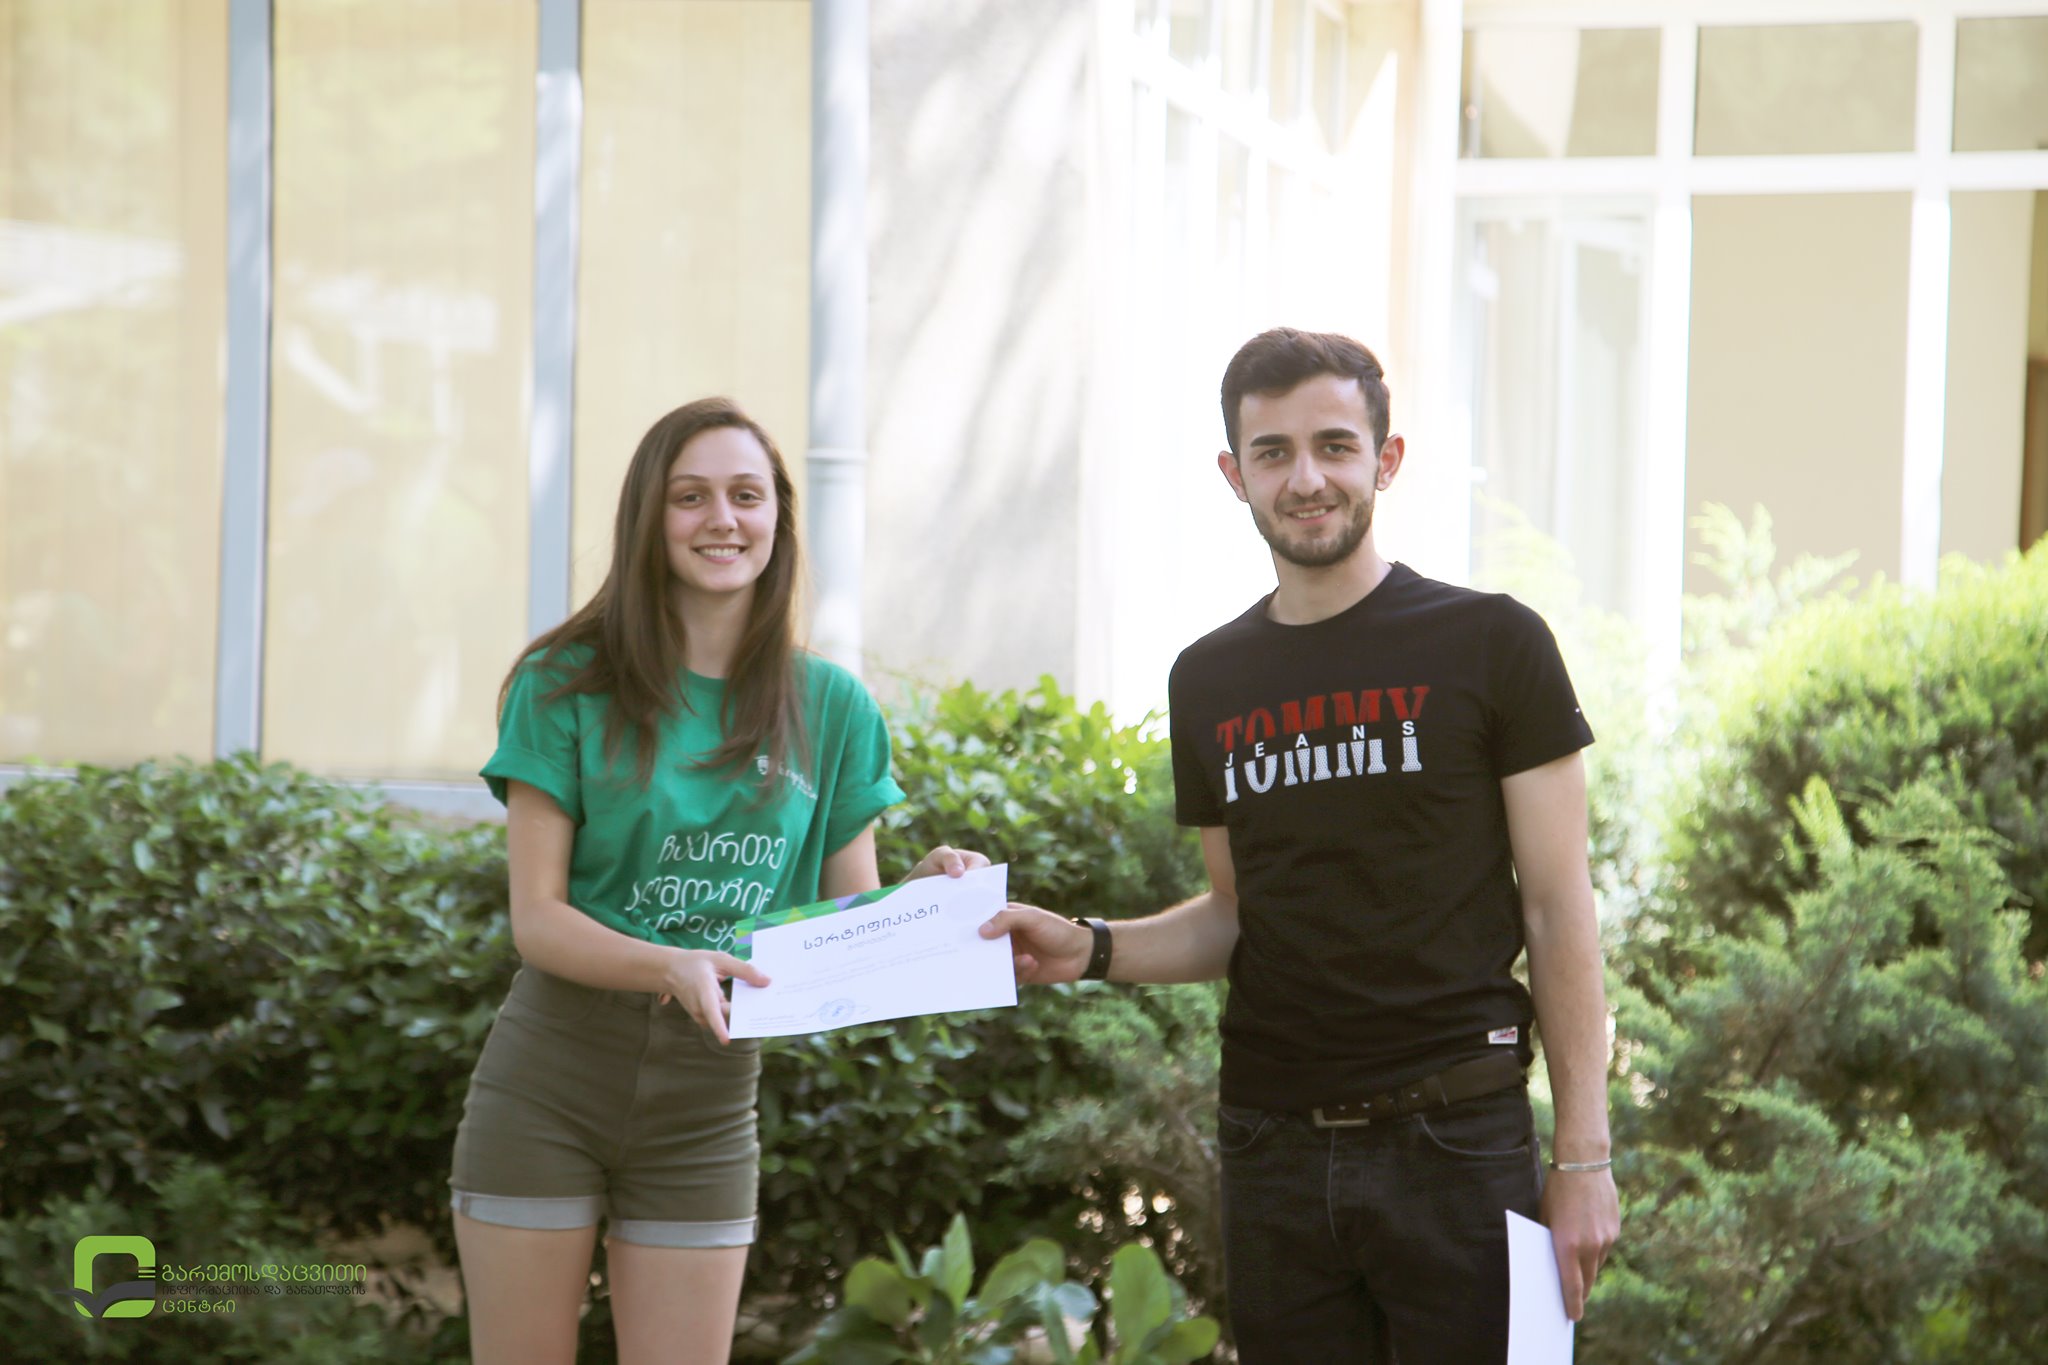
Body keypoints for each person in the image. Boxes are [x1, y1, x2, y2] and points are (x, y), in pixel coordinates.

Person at [982, 329, 1619, 1361]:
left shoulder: (1494, 643)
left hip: (1457, 1141)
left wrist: (1583, 1159)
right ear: (1234, 474)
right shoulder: (1208, 679)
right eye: (1272, 452)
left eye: (1334, 445)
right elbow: (1237, 916)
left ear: (1386, 459)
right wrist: (1088, 947)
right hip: (1272, 1150)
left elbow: (1557, 910)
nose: (1306, 478)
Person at [449, 397, 984, 1365]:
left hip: (708, 1104)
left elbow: (846, 924)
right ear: (649, 518)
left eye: (745, 495)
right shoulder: (563, 684)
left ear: (778, 517)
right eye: (689, 496)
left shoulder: (831, 707)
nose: (721, 519)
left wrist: (925, 900)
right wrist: (671, 964)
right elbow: (538, 919)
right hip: (547, 1085)